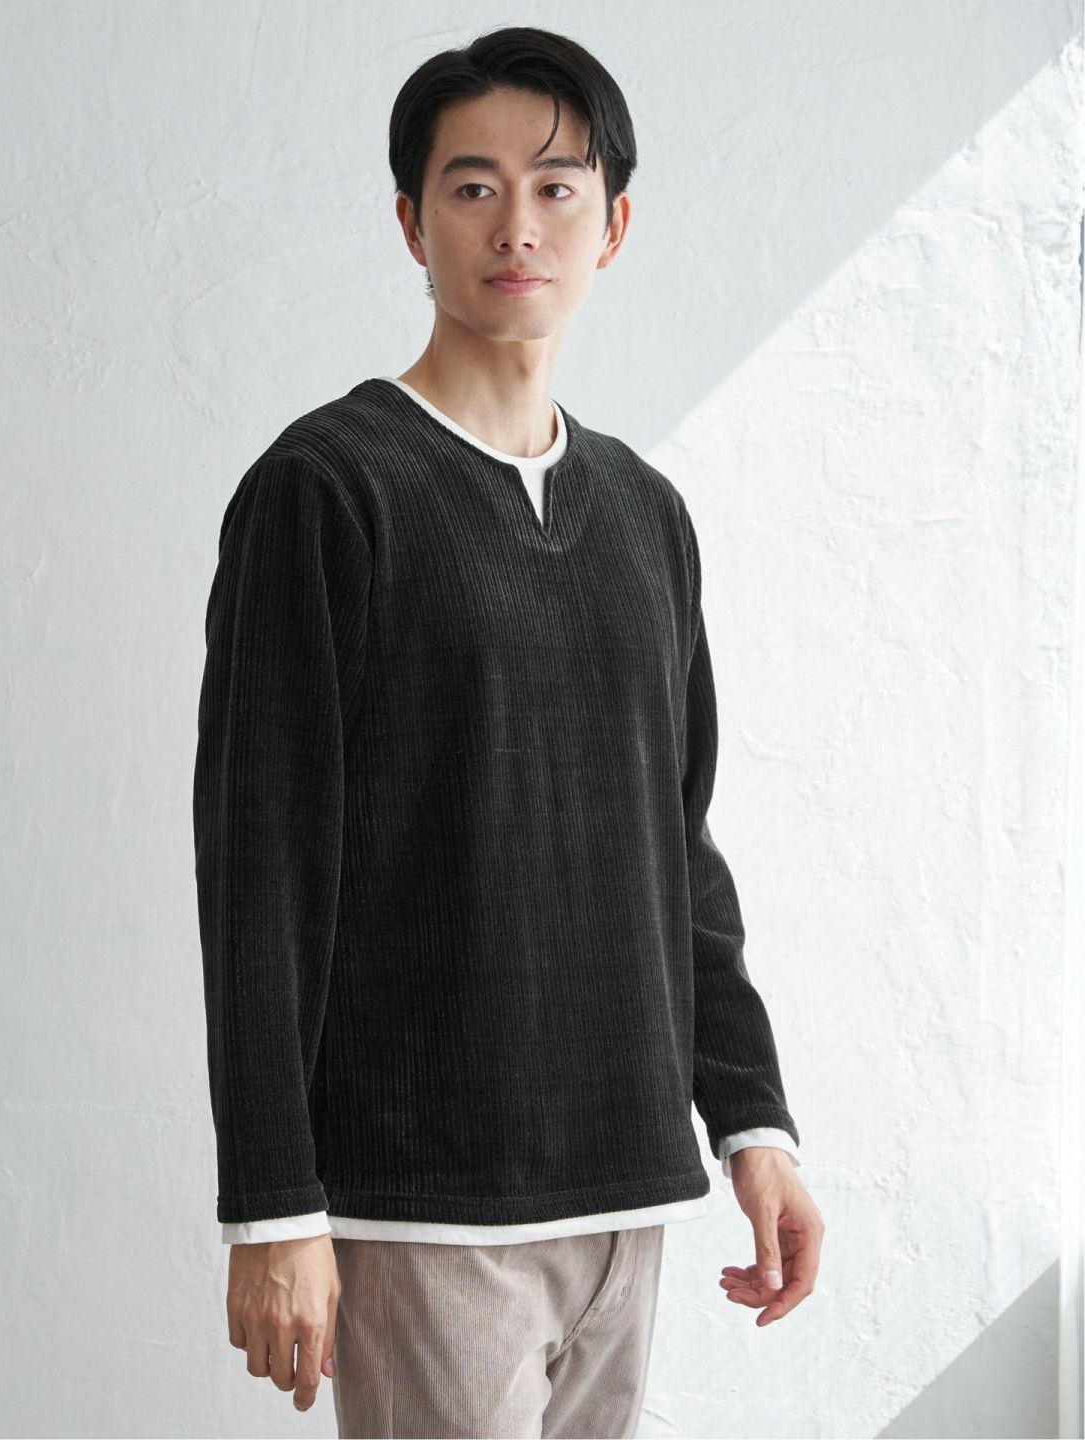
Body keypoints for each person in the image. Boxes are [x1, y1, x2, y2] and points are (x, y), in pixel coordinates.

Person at [192, 24, 825, 1439]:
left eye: (555, 187)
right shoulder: (328, 489)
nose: (516, 226)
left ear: (614, 224)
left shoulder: (646, 513)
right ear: (410, 222)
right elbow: (260, 866)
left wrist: (752, 1122)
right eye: (472, 188)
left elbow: (676, 845)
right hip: (424, 1208)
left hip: (629, 1195)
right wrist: (274, 1207)